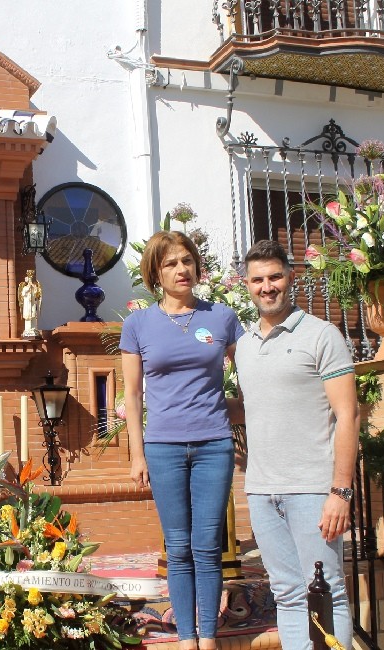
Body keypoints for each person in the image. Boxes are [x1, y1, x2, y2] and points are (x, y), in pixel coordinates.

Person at [120, 231, 242, 650]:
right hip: (164, 448)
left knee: (208, 545)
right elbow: (132, 396)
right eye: (171, 263)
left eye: (187, 261)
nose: (182, 270)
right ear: (156, 272)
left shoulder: (221, 318)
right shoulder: (138, 324)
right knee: (178, 546)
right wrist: (137, 453)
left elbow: (250, 378)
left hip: (213, 444)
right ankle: (186, 638)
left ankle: (207, 636)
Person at [235, 239, 358, 650]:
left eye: (274, 277)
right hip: (262, 490)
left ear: (291, 278)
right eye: (258, 280)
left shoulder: (323, 335)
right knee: (287, 594)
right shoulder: (246, 344)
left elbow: (347, 416)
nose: (266, 287)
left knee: (326, 590)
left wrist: (340, 491)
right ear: (246, 285)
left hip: (312, 489)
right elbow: (256, 405)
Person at [18, 269, 42, 339]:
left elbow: (37, 294)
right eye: (29, 279)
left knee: (34, 315)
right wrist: (28, 288)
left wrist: (33, 287)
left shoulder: (34, 286)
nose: (29, 280)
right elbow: (22, 294)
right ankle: (28, 329)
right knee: (28, 316)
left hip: (32, 304)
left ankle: (33, 329)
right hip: (27, 304)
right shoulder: (25, 287)